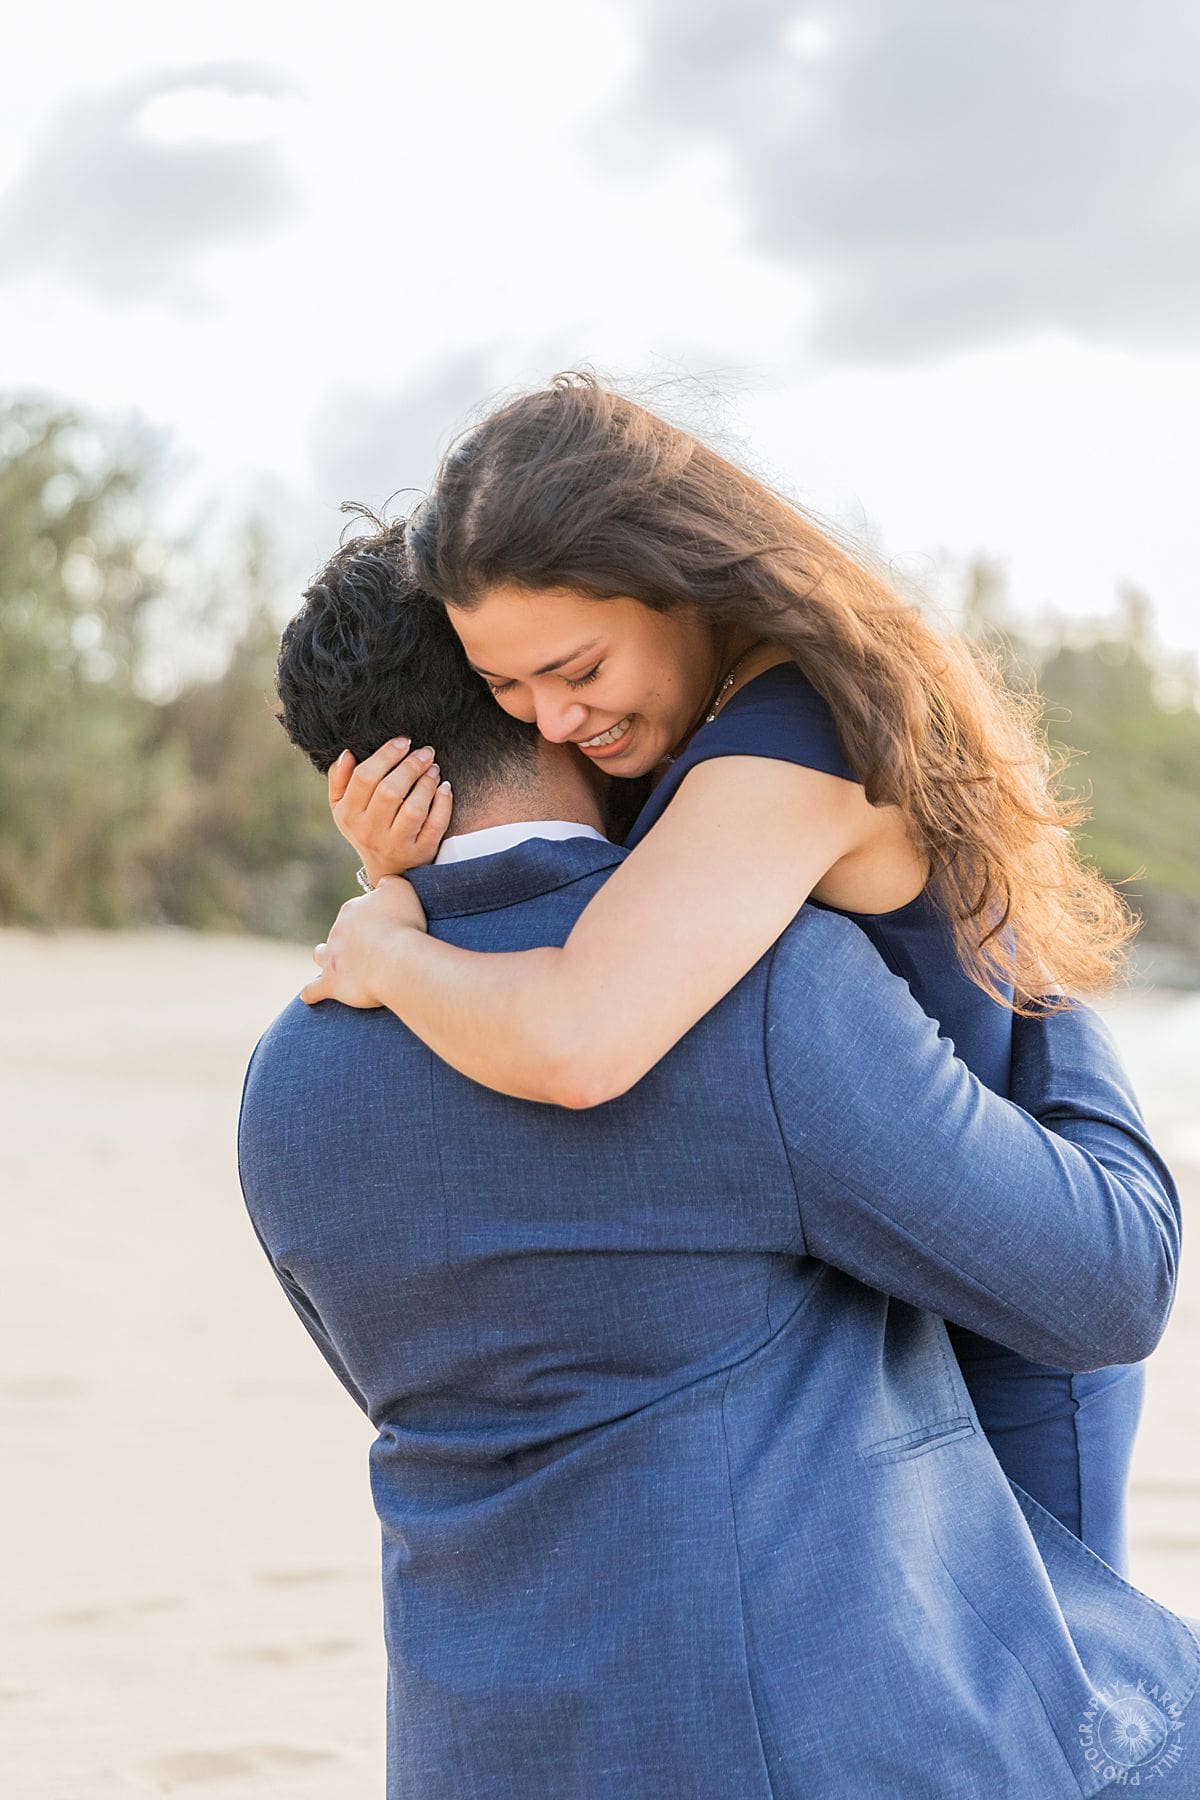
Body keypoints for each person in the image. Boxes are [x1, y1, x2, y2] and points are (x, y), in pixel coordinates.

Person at [243, 523, 1198, 1796]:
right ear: (532, 699)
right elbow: (1110, 1282)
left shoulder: (292, 1076)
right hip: (820, 1738)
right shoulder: (762, 989)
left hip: (488, 1751)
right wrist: (1020, 953)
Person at [303, 376, 1146, 1572]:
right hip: (869, 1297)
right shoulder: (696, 716)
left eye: (577, 668)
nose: (549, 721)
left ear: (674, 580)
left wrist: (387, 943)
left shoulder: (799, 737)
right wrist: (406, 862)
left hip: (999, 1308)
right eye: (506, 689)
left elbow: (577, 1038)